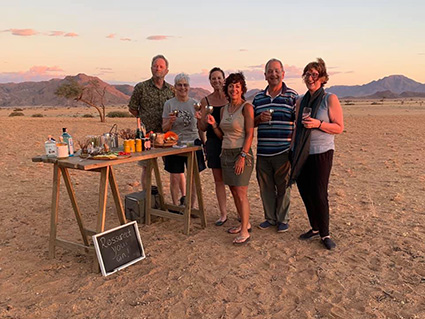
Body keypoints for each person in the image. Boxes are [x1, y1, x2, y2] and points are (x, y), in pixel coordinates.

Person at [290, 58, 344, 250]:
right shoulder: (300, 101)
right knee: (305, 191)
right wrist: (292, 149)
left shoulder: (330, 99)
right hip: (303, 153)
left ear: (322, 77)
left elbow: (339, 127)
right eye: (307, 74)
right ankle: (314, 227)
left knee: (319, 193)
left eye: (314, 74)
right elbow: (297, 127)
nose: (310, 78)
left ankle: (325, 233)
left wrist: (318, 124)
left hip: (322, 152)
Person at [207, 72, 254, 245]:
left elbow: (250, 134)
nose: (234, 89)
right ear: (227, 89)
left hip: (241, 153)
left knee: (241, 193)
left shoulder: (246, 107)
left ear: (242, 89)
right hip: (225, 153)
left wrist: (242, 156)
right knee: (233, 191)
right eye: (231, 86)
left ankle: (244, 231)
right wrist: (213, 125)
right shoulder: (225, 109)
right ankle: (244, 223)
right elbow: (221, 135)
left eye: (237, 86)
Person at [253, 58, 298, 233]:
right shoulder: (258, 98)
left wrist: (292, 149)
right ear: (265, 75)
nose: (273, 74)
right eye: (270, 71)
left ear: (283, 74)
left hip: (283, 151)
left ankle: (283, 219)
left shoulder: (292, 96)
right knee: (265, 187)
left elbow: (297, 125)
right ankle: (270, 218)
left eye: (276, 71)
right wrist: (259, 119)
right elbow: (251, 123)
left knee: (284, 187)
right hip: (263, 151)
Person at [128, 54, 174, 190]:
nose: (158, 69)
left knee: (173, 168)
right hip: (147, 135)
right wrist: (144, 118)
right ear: (151, 68)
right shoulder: (141, 88)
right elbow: (132, 108)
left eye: (161, 66)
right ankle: (146, 198)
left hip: (167, 136)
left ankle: (175, 200)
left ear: (166, 71)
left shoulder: (171, 90)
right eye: (155, 66)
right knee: (147, 168)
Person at [162, 73, 206, 208]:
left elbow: (201, 127)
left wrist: (203, 144)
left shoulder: (194, 104)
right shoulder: (169, 104)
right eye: (179, 85)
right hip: (175, 143)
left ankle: (190, 207)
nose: (182, 88)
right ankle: (175, 206)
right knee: (175, 176)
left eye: (185, 85)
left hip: (193, 142)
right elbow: (164, 128)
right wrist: (170, 122)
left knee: (192, 178)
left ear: (189, 87)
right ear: (175, 87)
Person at [196, 67, 229, 226]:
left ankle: (239, 212)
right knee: (218, 180)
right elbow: (202, 127)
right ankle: (223, 214)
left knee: (234, 180)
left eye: (219, 78)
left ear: (224, 79)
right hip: (214, 144)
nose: (217, 81)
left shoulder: (231, 99)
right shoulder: (205, 101)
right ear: (210, 81)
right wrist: (200, 119)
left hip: (230, 142)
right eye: (213, 78)